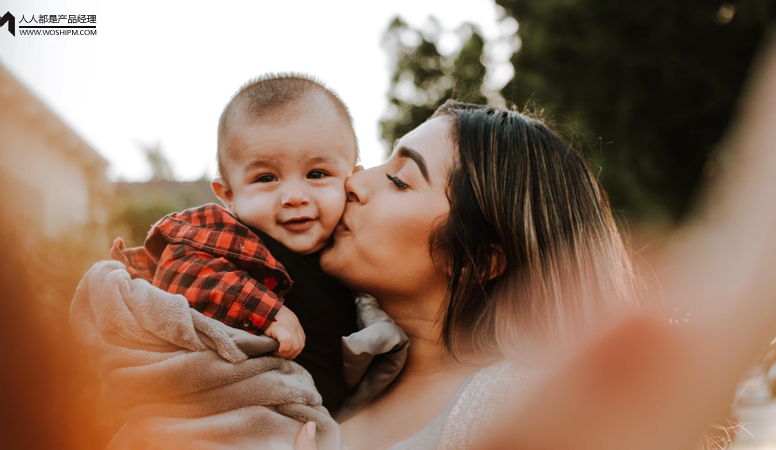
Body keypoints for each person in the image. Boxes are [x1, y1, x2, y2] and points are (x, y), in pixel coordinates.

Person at [294, 99, 637, 449]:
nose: (355, 180)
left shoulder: (524, 413)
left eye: (399, 180)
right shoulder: (319, 362)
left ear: (480, 259)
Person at [110, 73, 362, 416]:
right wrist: (266, 311)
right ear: (228, 195)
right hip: (235, 416)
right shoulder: (232, 236)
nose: (293, 197)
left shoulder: (354, 249)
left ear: (353, 179)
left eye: (317, 174)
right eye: (265, 178)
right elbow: (180, 269)